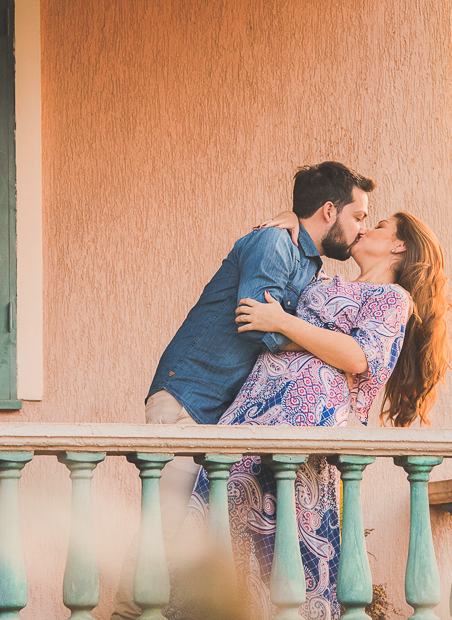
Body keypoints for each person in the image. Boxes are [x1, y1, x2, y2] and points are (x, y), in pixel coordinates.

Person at [110, 162, 374, 620]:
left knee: (195, 542)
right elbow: (258, 325)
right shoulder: (274, 242)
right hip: (187, 399)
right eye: (358, 216)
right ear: (329, 210)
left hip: (222, 418)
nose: (362, 228)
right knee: (165, 529)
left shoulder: (305, 259)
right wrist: (312, 341)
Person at [170, 211, 451, 620]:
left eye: (379, 226)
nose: (365, 228)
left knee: (286, 543)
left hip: (304, 427)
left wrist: (283, 322)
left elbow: (359, 357)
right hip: (253, 413)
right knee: (221, 529)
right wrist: (294, 226)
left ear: (399, 246)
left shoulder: (392, 299)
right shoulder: (326, 283)